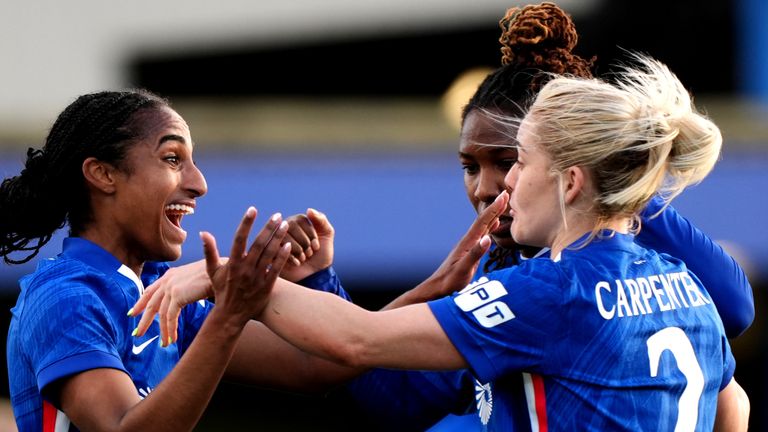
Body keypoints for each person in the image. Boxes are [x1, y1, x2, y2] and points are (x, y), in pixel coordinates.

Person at [194, 53, 750, 430]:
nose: (498, 186)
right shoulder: (683, 283)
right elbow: (731, 403)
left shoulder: (550, 289)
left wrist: (234, 280)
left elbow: (357, 340)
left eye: (517, 162)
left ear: (573, 179)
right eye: (470, 165)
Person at [1, 89, 390, 431]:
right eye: (173, 159)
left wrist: (320, 278)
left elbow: (317, 364)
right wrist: (229, 318)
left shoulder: (157, 291)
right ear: (103, 174)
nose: (199, 183)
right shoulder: (65, 298)